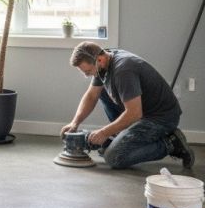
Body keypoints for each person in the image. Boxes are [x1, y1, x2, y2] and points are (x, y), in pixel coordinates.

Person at [61, 41, 194, 170]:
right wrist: (75, 123)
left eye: (88, 71)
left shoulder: (123, 70)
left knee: (114, 157)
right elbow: (91, 96)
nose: (86, 75)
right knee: (100, 91)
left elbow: (134, 113)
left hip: (160, 118)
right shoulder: (104, 59)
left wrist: (104, 132)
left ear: (99, 60)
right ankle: (116, 137)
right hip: (140, 111)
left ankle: (171, 143)